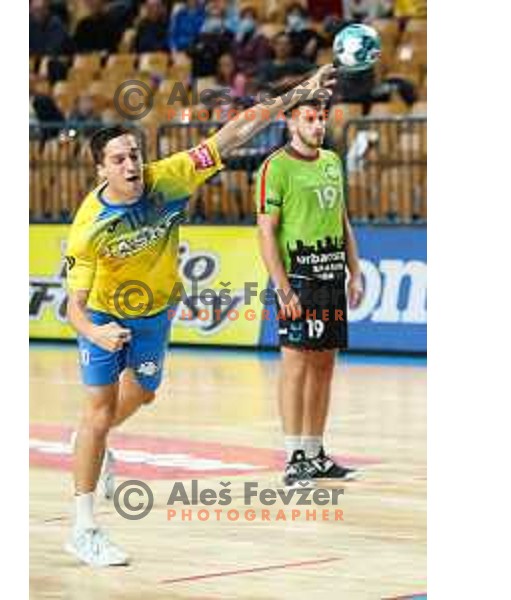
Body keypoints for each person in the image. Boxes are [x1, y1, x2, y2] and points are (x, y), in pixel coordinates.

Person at [64, 65, 337, 566]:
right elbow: (73, 309)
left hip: (158, 307)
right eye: (119, 159)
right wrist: (96, 332)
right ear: (100, 169)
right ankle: (84, 526)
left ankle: (88, 440)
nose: (132, 165)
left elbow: (238, 129)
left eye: (135, 155)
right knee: (98, 413)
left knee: (143, 394)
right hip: (105, 314)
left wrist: (298, 93)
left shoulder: (169, 177)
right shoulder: (89, 228)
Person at [255, 97, 363, 488]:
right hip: (299, 280)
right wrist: (283, 288)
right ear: (289, 122)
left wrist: (355, 270)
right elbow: (266, 231)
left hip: (332, 277)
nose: (318, 125)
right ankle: (294, 456)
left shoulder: (332, 162)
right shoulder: (275, 167)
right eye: (309, 119)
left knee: (324, 366)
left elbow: (342, 219)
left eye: (321, 118)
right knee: (295, 367)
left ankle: (316, 452)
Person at [231, 7, 272, 77]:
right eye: (244, 18)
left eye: (250, 18)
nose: (246, 21)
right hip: (237, 72)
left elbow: (261, 62)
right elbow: (234, 56)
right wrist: (237, 40)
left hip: (253, 74)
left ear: (255, 21)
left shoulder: (261, 39)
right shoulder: (238, 37)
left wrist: (245, 72)